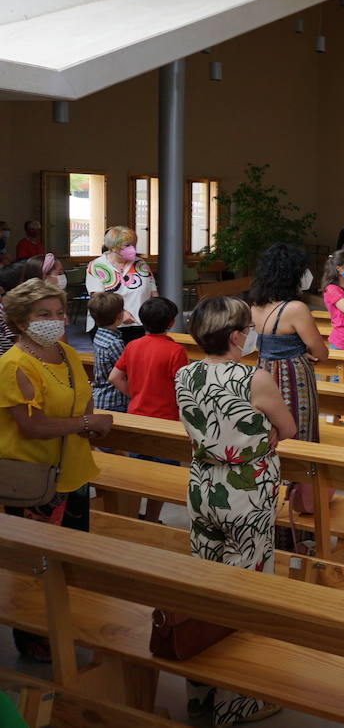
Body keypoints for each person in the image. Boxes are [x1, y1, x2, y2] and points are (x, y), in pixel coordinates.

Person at [176, 296, 296, 726]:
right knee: (245, 592)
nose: (251, 334)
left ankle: (200, 695)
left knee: (205, 586)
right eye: (247, 328)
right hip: (246, 489)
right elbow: (289, 428)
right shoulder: (254, 378)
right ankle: (236, 703)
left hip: (203, 485)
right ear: (234, 335)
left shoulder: (185, 373)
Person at [0, 279, 109, 663]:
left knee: (70, 561)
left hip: (74, 471)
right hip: (36, 478)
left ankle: (64, 627)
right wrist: (87, 424)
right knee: (38, 566)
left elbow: (83, 396)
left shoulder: (64, 352)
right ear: (20, 320)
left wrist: (87, 422)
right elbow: (33, 425)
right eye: (43, 314)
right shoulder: (14, 364)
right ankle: (34, 638)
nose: (56, 320)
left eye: (60, 312)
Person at [109, 296, 186, 522]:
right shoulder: (175, 351)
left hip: (136, 417)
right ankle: (152, 518)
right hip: (164, 420)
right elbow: (182, 388)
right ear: (171, 322)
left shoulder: (132, 345)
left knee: (137, 472)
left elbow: (115, 377)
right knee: (161, 478)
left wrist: (136, 394)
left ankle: (132, 516)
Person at [248, 244, 327, 451]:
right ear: (293, 275)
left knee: (269, 428)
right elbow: (321, 353)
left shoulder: (255, 305)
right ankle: (300, 480)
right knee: (299, 430)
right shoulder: (295, 308)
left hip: (263, 370)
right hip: (293, 375)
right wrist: (305, 353)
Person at [84, 226, 158, 342]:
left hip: (139, 325)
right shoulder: (97, 266)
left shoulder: (140, 264)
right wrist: (121, 313)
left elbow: (153, 294)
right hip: (109, 326)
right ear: (113, 247)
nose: (132, 249)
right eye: (127, 245)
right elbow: (99, 299)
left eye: (133, 244)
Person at [87, 292, 128, 413]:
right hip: (114, 400)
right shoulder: (115, 343)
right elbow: (124, 371)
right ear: (120, 315)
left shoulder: (99, 333)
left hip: (100, 396)